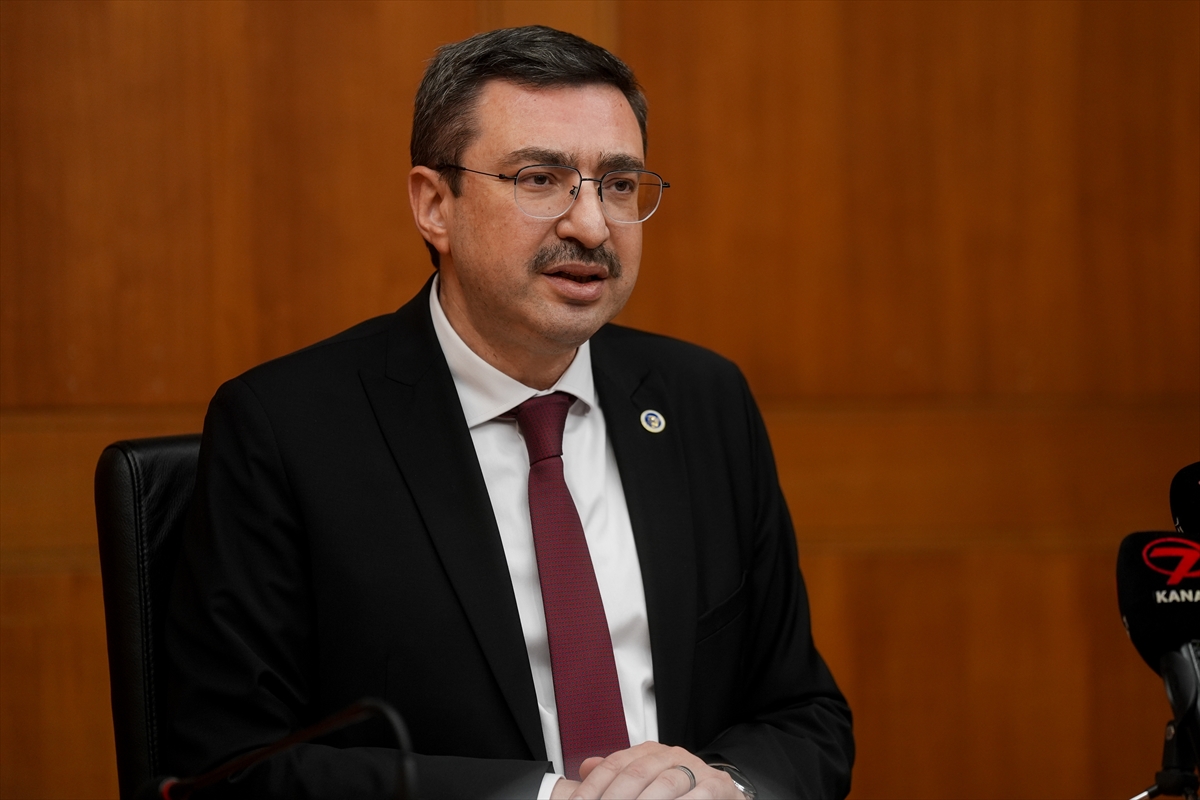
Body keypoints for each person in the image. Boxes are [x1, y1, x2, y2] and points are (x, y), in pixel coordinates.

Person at [166, 25, 854, 800]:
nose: (591, 225)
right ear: (435, 205)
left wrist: (729, 786)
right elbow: (231, 767)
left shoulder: (703, 400)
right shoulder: (286, 428)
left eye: (618, 185)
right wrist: (546, 799)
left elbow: (804, 714)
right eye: (540, 179)